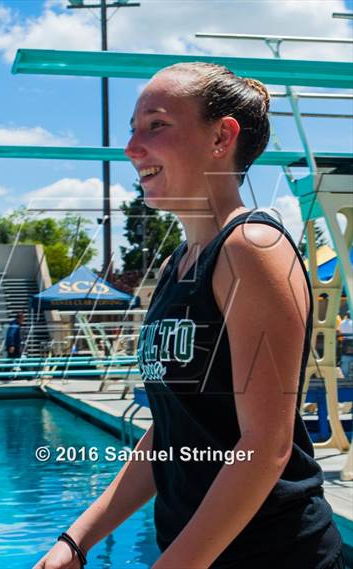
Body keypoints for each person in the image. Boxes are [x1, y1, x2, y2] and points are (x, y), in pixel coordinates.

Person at [33, 63, 344, 569]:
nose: (132, 148)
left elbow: (265, 447)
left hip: (275, 555)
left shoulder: (252, 247)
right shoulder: (179, 265)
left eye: (155, 125)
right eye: (132, 130)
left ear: (221, 137)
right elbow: (175, 430)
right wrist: (77, 540)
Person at [338, 311, 353, 380]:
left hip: (345, 342)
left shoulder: (342, 322)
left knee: (345, 359)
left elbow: (339, 330)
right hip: (351, 341)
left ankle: (344, 376)